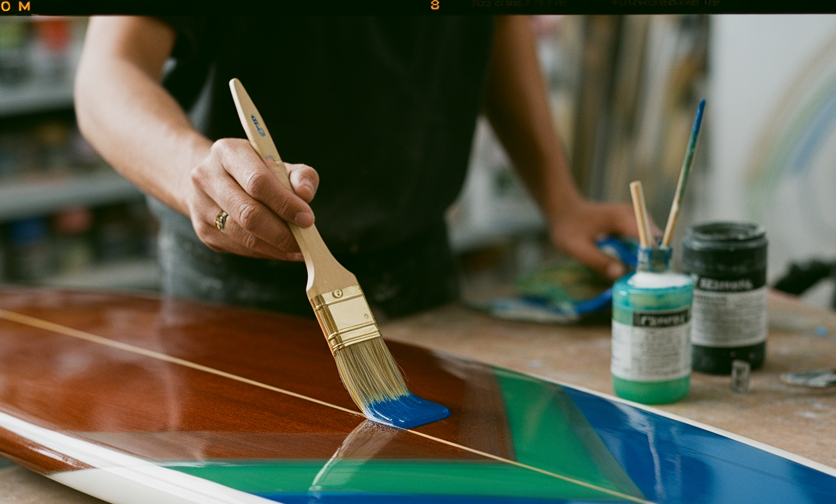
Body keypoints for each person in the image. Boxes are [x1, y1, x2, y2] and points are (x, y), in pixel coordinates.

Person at [75, 16, 647, 319]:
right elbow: (106, 72)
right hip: (240, 279)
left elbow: (497, 25)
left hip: (419, 259)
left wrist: (560, 199)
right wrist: (189, 167)